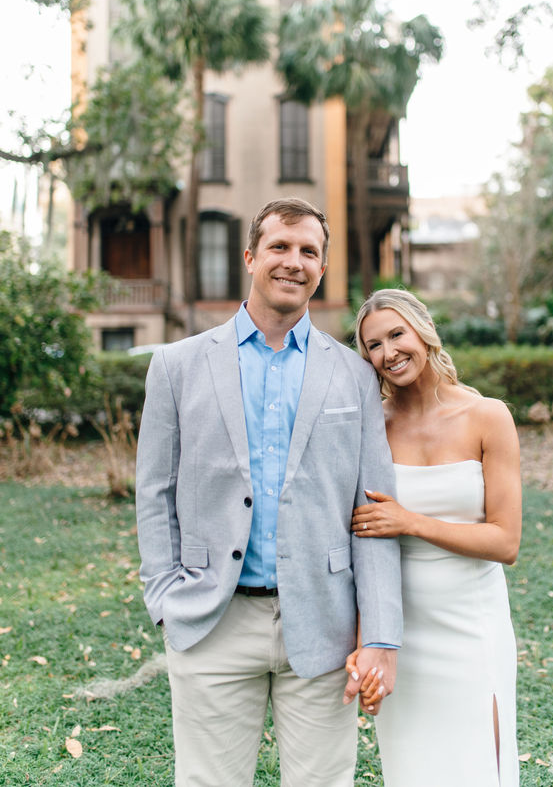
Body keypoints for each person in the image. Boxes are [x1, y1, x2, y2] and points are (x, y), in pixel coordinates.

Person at [135, 198, 402, 787]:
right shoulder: (176, 366)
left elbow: (375, 511)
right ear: (251, 256)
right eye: (280, 246)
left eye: (309, 251)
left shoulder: (355, 375)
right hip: (212, 620)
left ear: (322, 269)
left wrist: (380, 634)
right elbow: (155, 491)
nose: (294, 261)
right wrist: (163, 595)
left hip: (324, 624)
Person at [349, 288, 521, 787]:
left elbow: (505, 541)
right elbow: (362, 539)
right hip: (400, 626)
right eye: (373, 346)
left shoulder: (488, 416)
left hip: (472, 623)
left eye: (396, 334)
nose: (389, 352)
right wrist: (368, 640)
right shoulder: (371, 428)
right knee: (414, 771)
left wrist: (412, 522)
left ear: (424, 332)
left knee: (478, 767)